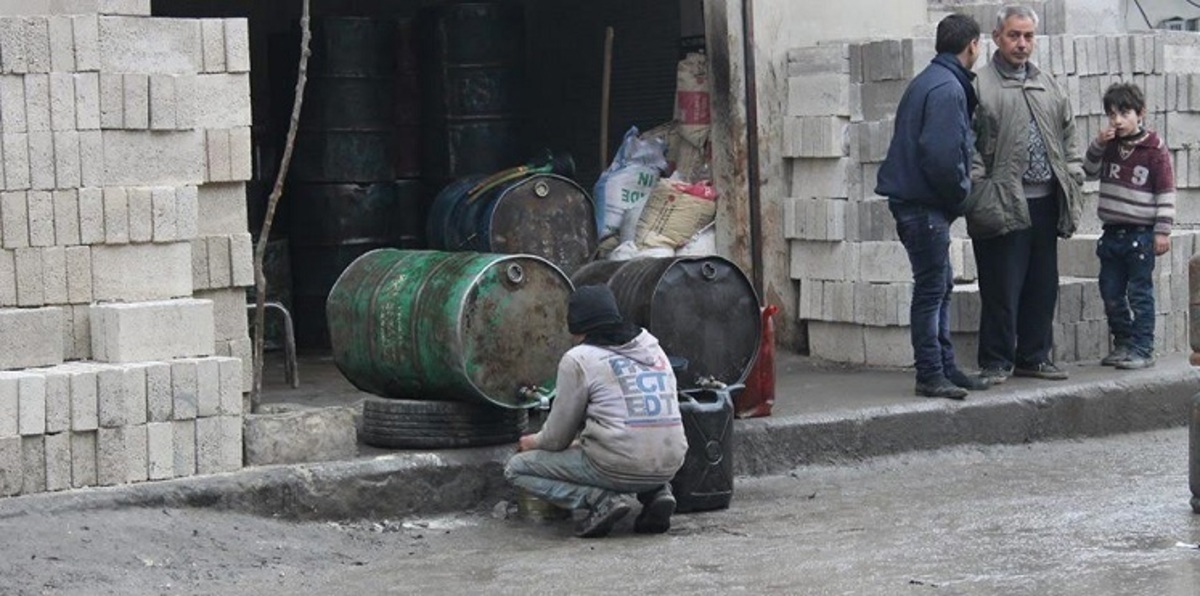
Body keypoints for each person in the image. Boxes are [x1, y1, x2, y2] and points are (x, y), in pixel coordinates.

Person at [504, 285, 688, 538]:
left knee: (516, 468)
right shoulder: (652, 347)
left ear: (575, 328)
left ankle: (601, 500)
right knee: (633, 443)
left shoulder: (579, 358)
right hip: (671, 463)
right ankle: (658, 492)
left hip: (616, 467)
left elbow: (556, 440)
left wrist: (531, 441)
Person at [965, 5, 1084, 383]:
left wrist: (1073, 173)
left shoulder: (1048, 83)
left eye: (1028, 36)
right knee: (1001, 286)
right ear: (996, 37)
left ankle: (1034, 355)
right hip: (1001, 202)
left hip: (1046, 202)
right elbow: (966, 145)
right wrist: (979, 189)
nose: (1022, 44)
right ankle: (996, 361)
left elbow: (1068, 136)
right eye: (1014, 35)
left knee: (1042, 284)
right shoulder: (979, 85)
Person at [875, 13, 989, 399]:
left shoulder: (931, 80)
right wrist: (960, 192)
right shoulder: (946, 89)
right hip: (923, 207)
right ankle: (930, 374)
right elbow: (941, 155)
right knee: (930, 290)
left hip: (920, 204)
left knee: (939, 286)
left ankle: (945, 367)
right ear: (972, 45)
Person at [1083, 82, 1175, 370]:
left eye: (1124, 113)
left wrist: (1162, 231)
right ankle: (1122, 341)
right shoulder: (1109, 146)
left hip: (1141, 236)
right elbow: (1088, 171)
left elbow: (1165, 191)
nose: (1117, 121)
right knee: (1110, 290)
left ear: (1140, 113)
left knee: (1140, 293)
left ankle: (1143, 347)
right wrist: (1098, 143)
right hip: (1111, 234)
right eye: (1112, 115)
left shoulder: (1154, 149)